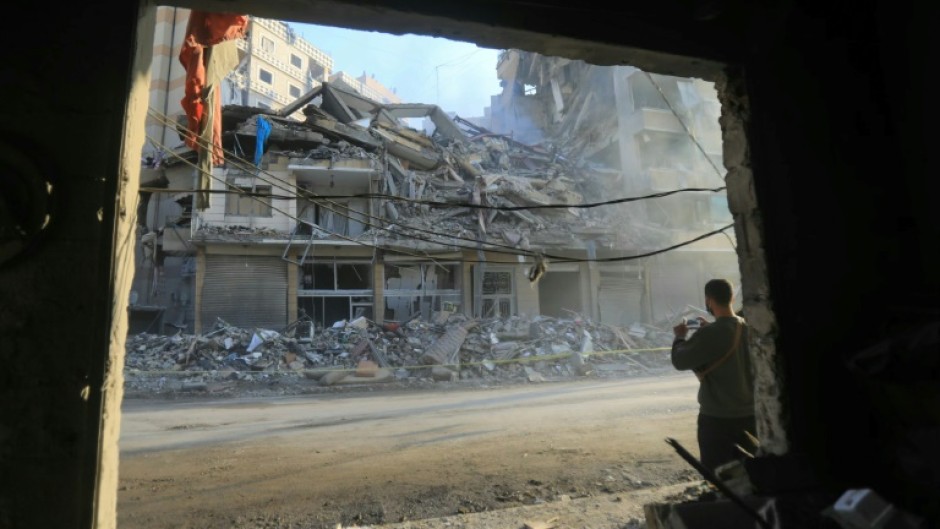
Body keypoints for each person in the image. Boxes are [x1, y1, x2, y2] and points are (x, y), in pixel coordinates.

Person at [671, 278, 756, 472]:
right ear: (732, 298)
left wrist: (680, 337)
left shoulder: (710, 333)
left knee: (717, 476)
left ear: (709, 300)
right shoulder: (748, 326)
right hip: (751, 415)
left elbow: (680, 361)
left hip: (718, 419)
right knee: (751, 472)